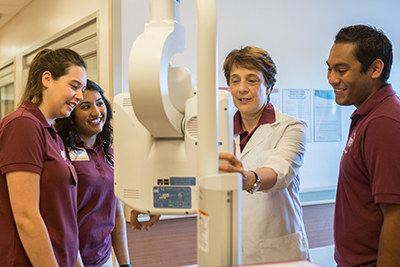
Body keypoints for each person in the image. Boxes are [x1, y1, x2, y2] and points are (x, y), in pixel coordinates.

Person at [219, 46, 310, 264]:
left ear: (269, 86)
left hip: (277, 250)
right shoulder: (219, 131)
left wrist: (249, 178)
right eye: (235, 80)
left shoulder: (292, 127)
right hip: (229, 249)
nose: (242, 89)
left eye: (252, 80)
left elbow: (280, 171)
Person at [0, 48, 86, 266]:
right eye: (74, 86)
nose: (80, 96)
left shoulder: (52, 134)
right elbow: (26, 217)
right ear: (47, 79)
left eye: (82, 89)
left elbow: (62, 216)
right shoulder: (22, 125)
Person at [327, 25, 400, 267]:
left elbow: (396, 213)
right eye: (329, 69)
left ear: (375, 69)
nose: (332, 79)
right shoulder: (367, 115)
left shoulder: (383, 122)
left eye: (341, 70)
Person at [55, 80, 131, 267]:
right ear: (71, 116)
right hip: (69, 259)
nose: (96, 112)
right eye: (86, 106)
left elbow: (117, 213)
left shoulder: (109, 154)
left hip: (103, 259)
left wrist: (125, 264)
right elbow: (61, 218)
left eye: (99, 103)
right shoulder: (60, 153)